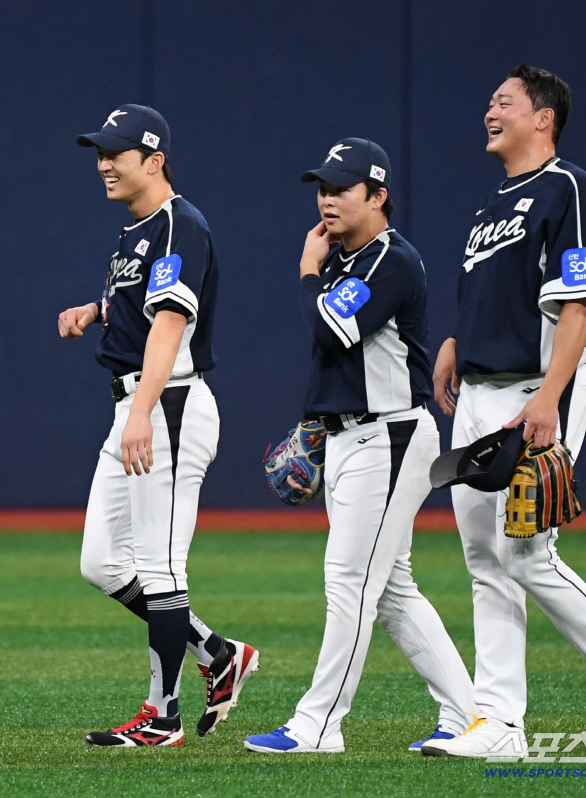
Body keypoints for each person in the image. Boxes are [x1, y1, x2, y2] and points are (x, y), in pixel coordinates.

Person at [422, 65, 586, 758]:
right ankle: (499, 724)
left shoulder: (570, 189)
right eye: (490, 100)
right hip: (478, 392)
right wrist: (456, 343)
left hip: (538, 388)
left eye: (504, 101)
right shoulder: (490, 207)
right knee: (483, 559)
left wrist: (549, 396)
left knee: (526, 552)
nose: (490, 110)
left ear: (543, 117)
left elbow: (579, 302)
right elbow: (503, 296)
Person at [244, 138, 476, 754]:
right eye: (321, 187)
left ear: (377, 197)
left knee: (350, 580)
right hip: (353, 438)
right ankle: (467, 714)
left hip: (391, 439)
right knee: (392, 588)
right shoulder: (347, 260)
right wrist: (316, 428)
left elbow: (330, 329)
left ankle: (319, 724)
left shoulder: (389, 261)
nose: (326, 199)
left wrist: (306, 270)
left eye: (341, 188)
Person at [58, 104, 258, 747]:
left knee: (161, 566)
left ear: (155, 159)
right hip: (139, 405)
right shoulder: (136, 231)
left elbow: (171, 324)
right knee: (100, 562)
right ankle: (218, 654)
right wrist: (95, 309)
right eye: (100, 152)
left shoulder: (179, 223)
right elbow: (140, 308)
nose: (103, 163)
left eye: (116, 153)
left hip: (165, 403)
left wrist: (142, 411)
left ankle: (162, 715)